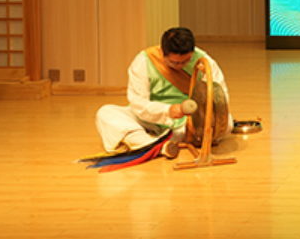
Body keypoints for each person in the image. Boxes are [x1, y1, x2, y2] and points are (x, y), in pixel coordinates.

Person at [95, 27, 231, 158]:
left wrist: (198, 114)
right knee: (106, 113)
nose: (180, 66)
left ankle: (146, 142)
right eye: (174, 62)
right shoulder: (144, 61)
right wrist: (168, 110)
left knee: (227, 123)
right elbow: (138, 102)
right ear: (161, 52)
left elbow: (220, 98)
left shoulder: (205, 62)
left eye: (186, 61)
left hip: (186, 123)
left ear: (193, 51)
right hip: (149, 118)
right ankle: (159, 147)